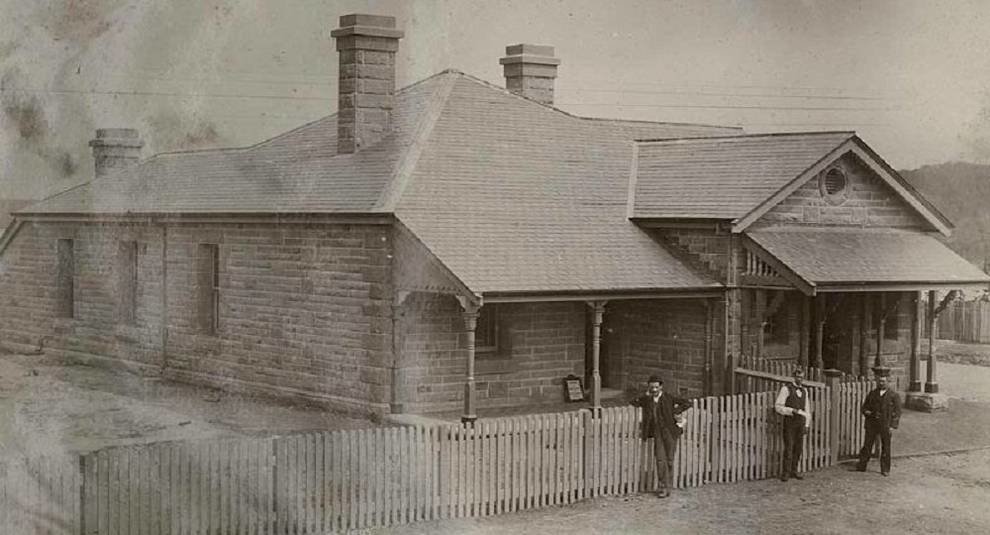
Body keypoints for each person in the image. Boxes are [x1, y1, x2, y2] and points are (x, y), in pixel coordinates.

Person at [630, 374, 692, 497]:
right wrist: (645, 395)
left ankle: (668, 486)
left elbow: (687, 403)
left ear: (661, 387)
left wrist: (675, 411)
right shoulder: (647, 399)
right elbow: (633, 401)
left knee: (669, 459)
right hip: (657, 433)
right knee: (660, 459)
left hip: (670, 432)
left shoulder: (668, 397)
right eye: (651, 387)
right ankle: (662, 487)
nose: (654, 390)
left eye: (656, 387)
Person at [855, 374, 901, 476]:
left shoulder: (894, 396)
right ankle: (862, 465)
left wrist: (892, 426)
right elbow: (864, 407)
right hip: (872, 423)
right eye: (880, 381)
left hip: (885, 424)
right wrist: (867, 412)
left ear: (888, 382)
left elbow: (897, 412)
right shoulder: (872, 394)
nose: (881, 383)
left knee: (886, 447)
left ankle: (885, 469)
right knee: (867, 445)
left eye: (883, 381)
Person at [774, 367, 812, 481]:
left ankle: (794, 471)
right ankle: (786, 472)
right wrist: (791, 411)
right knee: (789, 448)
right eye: (797, 377)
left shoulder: (805, 391)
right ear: (793, 377)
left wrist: (806, 425)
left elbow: (807, 410)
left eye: (801, 377)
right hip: (790, 422)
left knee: (798, 448)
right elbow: (778, 407)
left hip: (800, 422)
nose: (799, 379)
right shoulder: (786, 389)